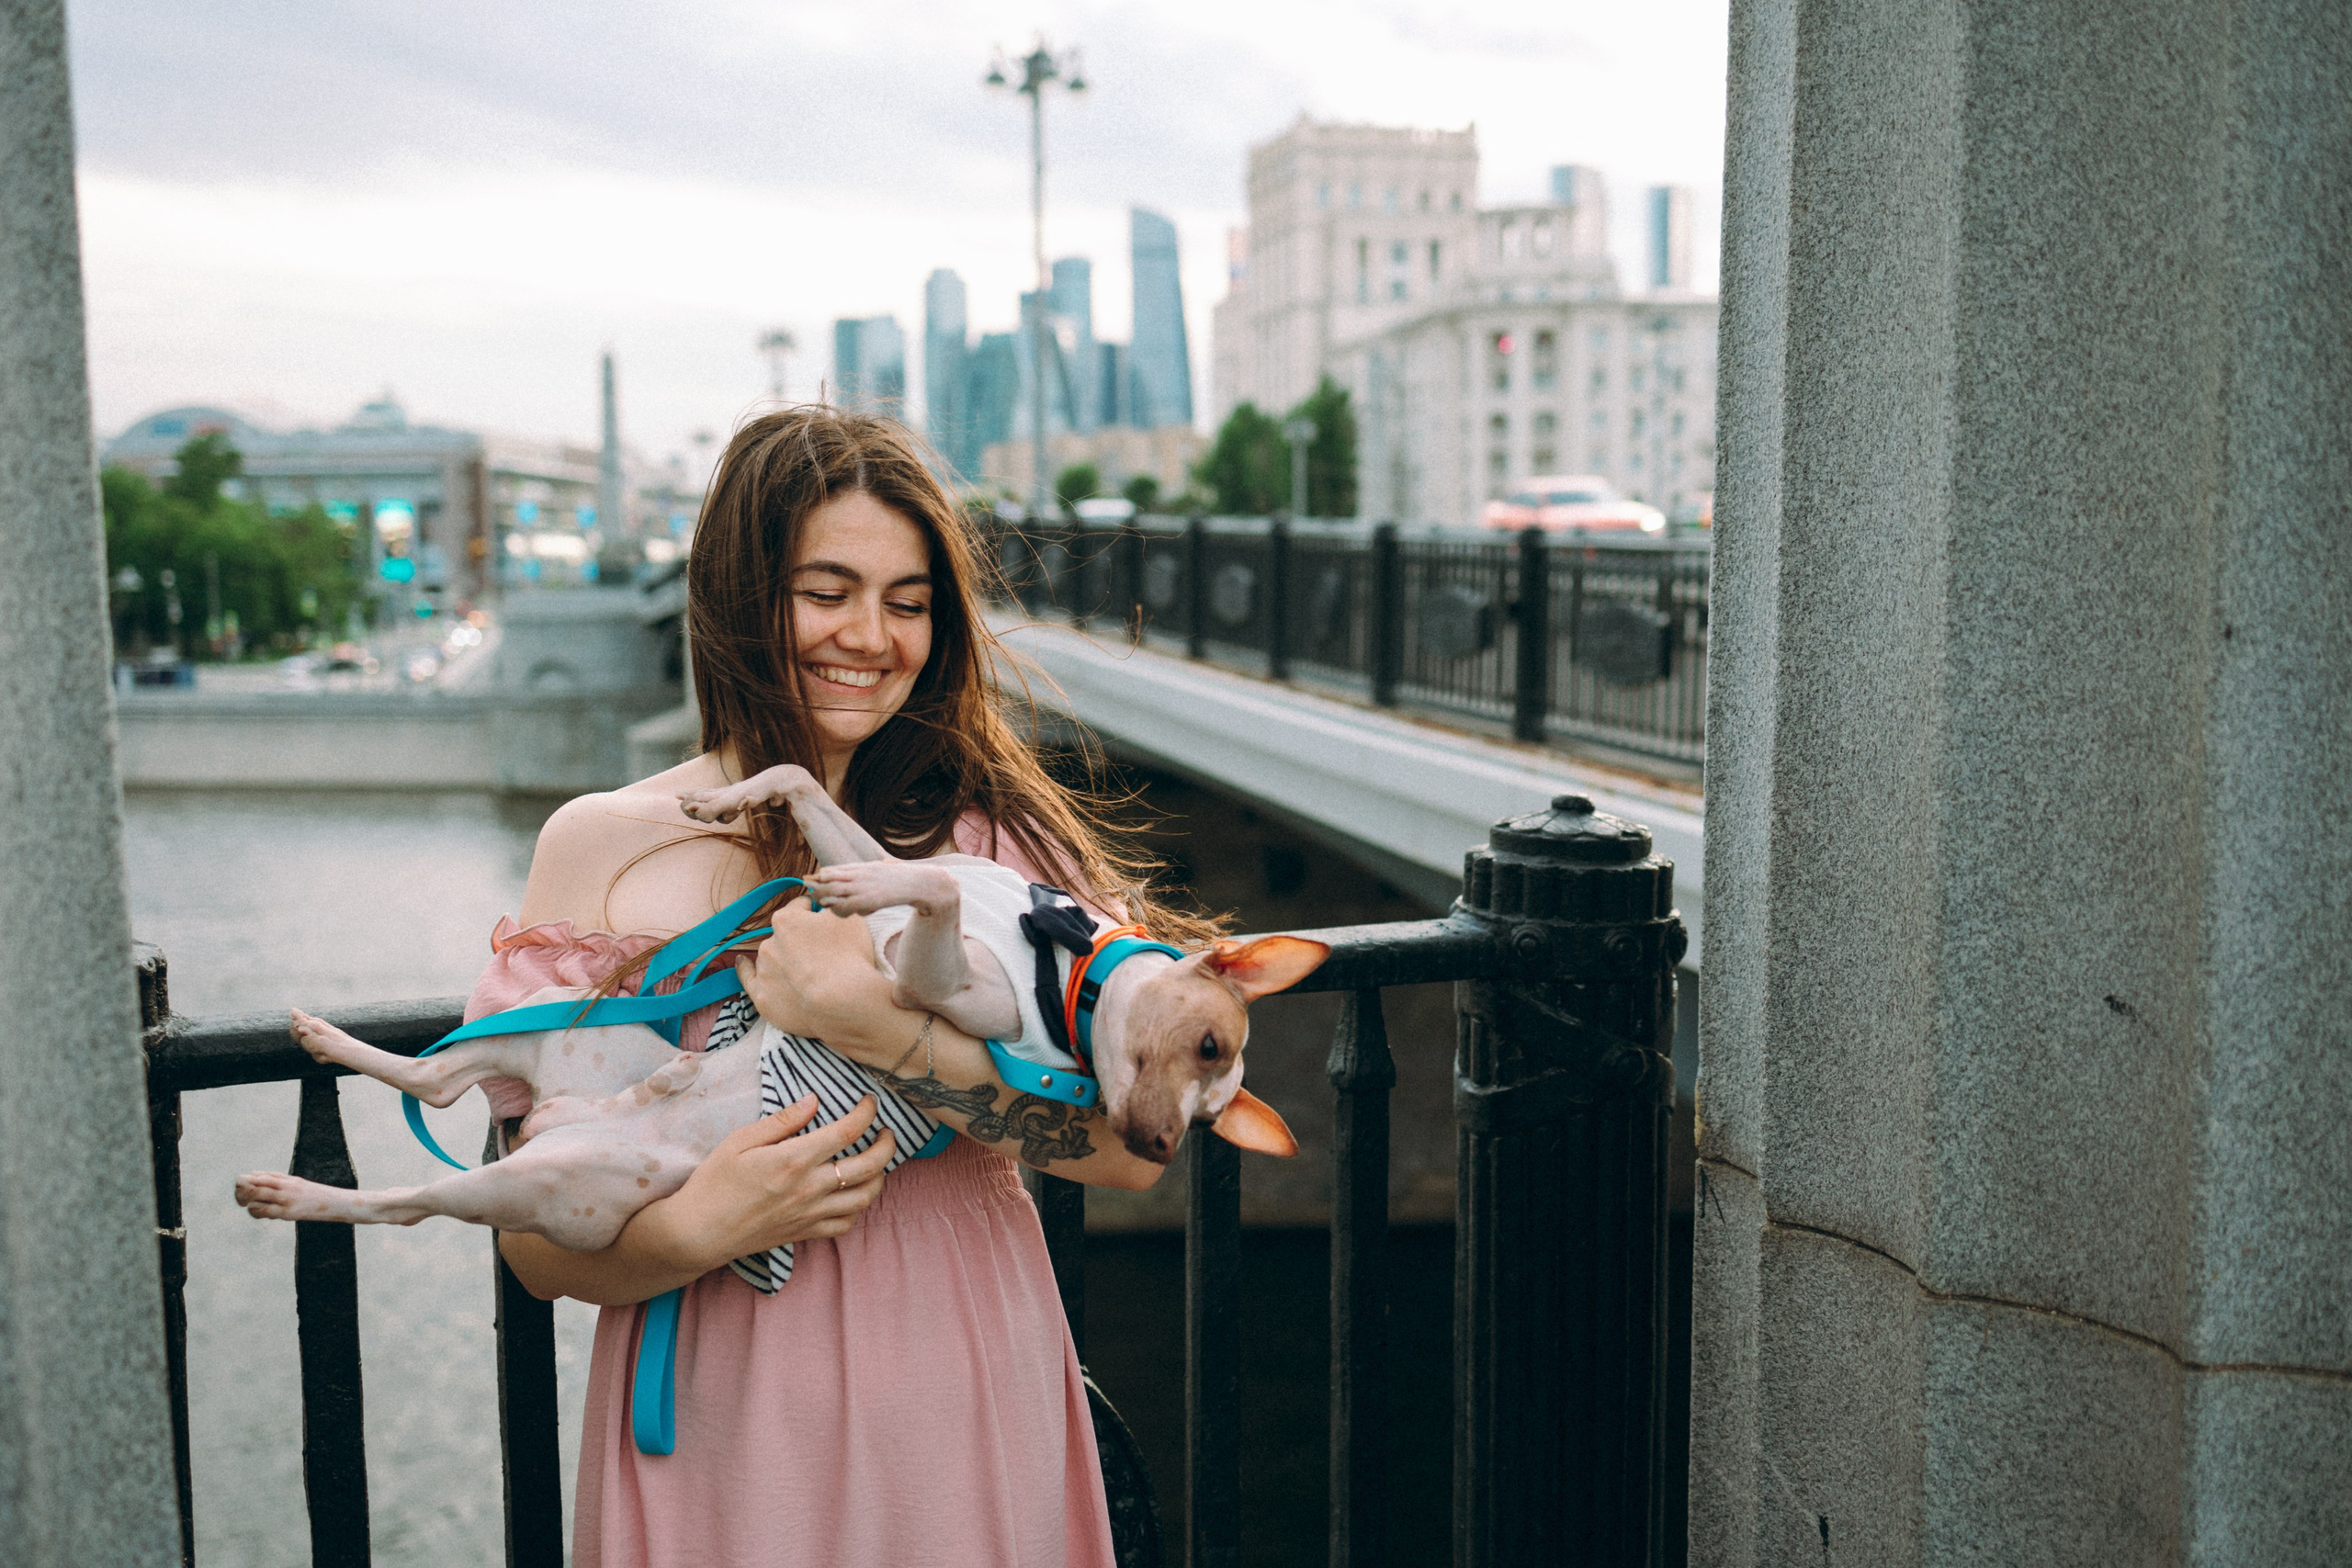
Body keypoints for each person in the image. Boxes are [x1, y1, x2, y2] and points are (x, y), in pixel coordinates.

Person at [486, 406, 1206, 1566]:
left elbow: (1129, 1149)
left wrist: (882, 1033)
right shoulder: (603, 846)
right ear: (737, 594)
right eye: (825, 591)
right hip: (723, 1411)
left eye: (908, 601)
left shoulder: (986, 842)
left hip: (958, 1366)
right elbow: (535, 1242)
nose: (868, 636)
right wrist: (703, 1223)